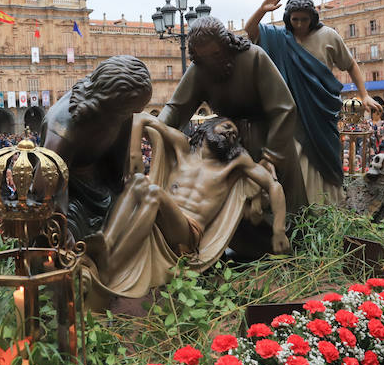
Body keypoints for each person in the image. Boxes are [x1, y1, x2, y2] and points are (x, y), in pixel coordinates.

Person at [93, 115, 289, 299]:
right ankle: (106, 243)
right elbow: (140, 117)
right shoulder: (182, 146)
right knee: (137, 180)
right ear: (207, 127)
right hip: (160, 218)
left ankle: (110, 269)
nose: (231, 134)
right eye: (227, 127)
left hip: (187, 232)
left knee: (154, 193)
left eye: (235, 135)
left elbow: (273, 185)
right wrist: (135, 152)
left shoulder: (234, 162)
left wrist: (279, 230)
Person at [245, 0, 382, 204]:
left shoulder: (328, 35)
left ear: (313, 18)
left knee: (328, 157)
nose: (299, 24)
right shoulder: (279, 37)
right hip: (293, 113)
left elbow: (351, 65)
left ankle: (330, 206)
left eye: (305, 19)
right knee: (298, 159)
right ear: (288, 19)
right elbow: (249, 31)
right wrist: (262, 10)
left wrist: (364, 95)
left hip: (322, 111)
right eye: (295, 19)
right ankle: (303, 208)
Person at [158, 17, 306, 213]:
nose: (211, 62)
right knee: (236, 215)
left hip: (271, 139)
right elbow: (176, 108)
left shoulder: (254, 57)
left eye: (215, 54)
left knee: (286, 209)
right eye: (203, 57)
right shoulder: (200, 68)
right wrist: (155, 127)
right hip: (229, 142)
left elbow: (284, 108)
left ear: (226, 44)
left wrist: (271, 157)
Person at [42, 55, 154, 242]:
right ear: (111, 102)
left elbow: (118, 166)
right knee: (69, 232)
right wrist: (61, 226)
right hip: (67, 194)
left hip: (101, 184)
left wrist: (121, 190)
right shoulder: (62, 129)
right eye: (130, 111)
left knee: (137, 205)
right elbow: (49, 188)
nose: (133, 115)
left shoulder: (121, 109)